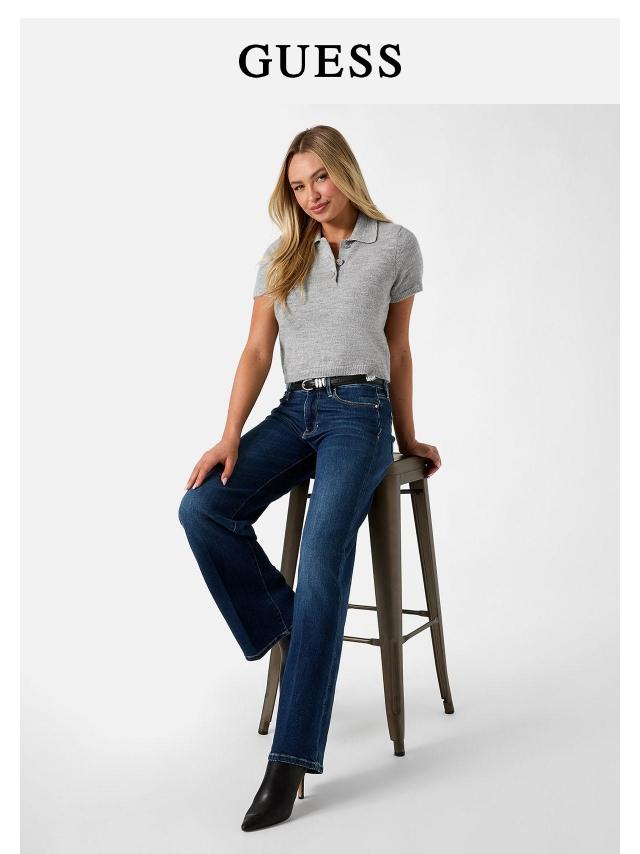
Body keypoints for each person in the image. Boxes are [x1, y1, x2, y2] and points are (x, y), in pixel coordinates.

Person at [178, 125, 442, 831]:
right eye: (298, 186)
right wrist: (229, 436)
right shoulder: (280, 255)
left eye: (320, 177)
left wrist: (407, 435)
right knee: (202, 509)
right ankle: (289, 626)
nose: (311, 195)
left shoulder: (396, 245)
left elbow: (398, 349)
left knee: (325, 556)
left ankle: (289, 761)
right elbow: (256, 350)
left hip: (361, 413)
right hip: (295, 410)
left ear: (344, 172)